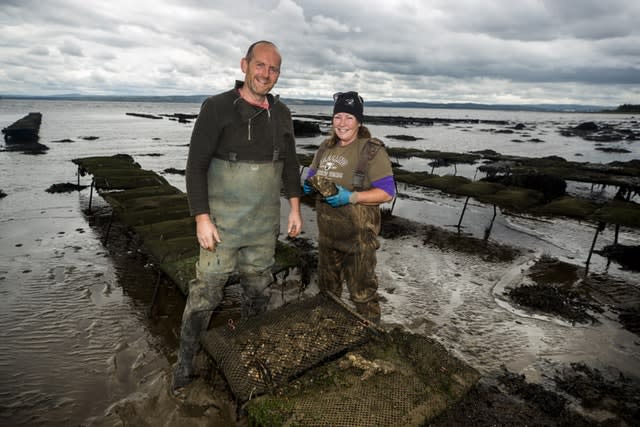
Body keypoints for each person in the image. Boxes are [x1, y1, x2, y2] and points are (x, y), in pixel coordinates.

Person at [173, 40, 303, 391]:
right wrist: (202, 217)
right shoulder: (216, 107)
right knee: (205, 296)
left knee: (257, 292)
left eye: (273, 69)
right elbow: (195, 166)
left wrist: (294, 207)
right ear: (244, 64)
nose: (266, 74)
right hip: (221, 227)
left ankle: (246, 354)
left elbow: (291, 165)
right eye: (260, 65)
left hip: (263, 228)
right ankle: (184, 368)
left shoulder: (283, 113)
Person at [303, 91, 395, 324]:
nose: (342, 123)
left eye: (349, 118)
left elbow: (387, 193)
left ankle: (370, 338)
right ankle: (330, 329)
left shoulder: (371, 150)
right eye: (338, 117)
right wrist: (307, 186)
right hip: (328, 238)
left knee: (362, 295)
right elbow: (312, 176)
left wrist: (351, 197)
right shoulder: (325, 148)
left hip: (359, 241)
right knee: (328, 293)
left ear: (359, 121)